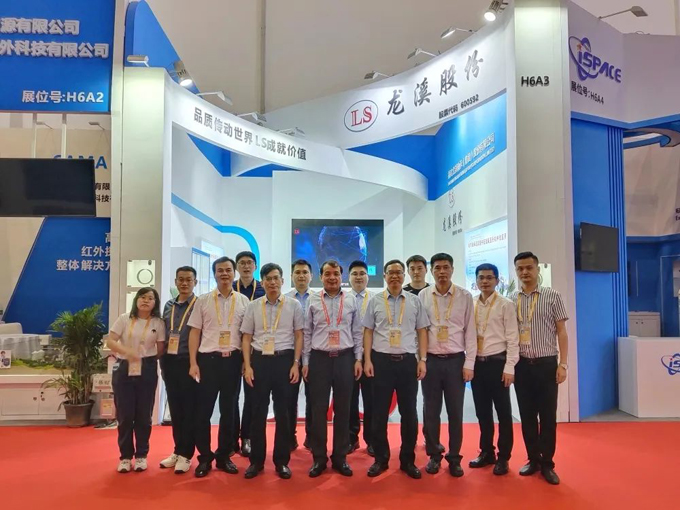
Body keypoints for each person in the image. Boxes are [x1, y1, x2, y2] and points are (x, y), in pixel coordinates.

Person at [363, 260, 429, 479]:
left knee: (409, 413)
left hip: (407, 362)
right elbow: (368, 332)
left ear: (404, 275)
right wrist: (367, 360)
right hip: (381, 362)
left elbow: (422, 331)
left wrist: (422, 360)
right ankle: (380, 459)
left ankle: (407, 460)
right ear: (384, 276)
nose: (394, 276)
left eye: (398, 272)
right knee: (379, 413)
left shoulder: (414, 301)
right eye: (390, 272)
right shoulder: (375, 301)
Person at [188, 256, 250, 478]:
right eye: (220, 270)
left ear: (234, 273)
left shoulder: (243, 301)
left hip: (232, 361)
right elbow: (195, 332)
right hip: (208, 361)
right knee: (203, 411)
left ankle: (224, 456)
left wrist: (245, 363)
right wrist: (193, 362)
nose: (224, 274)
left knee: (229, 411)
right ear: (214, 274)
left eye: (228, 270)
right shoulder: (203, 301)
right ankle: (205, 457)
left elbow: (247, 335)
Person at [510, 252, 569, 486]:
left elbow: (562, 332)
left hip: (546, 364)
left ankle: (547, 463)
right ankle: (533, 459)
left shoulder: (552, 296)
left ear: (537, 269)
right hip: (522, 365)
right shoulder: (511, 299)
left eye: (529, 268)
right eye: (520, 268)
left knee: (547, 416)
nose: (525, 272)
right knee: (527, 416)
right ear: (516, 271)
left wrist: (563, 364)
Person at [241, 263, 304, 479]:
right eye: (268, 279)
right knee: (257, 412)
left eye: (276, 278)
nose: (273, 282)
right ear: (263, 282)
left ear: (282, 281)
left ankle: (281, 461)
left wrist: (296, 363)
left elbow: (299, 335)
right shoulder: (253, 306)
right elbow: (246, 337)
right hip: (259, 361)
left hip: (284, 361)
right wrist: (248, 366)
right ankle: (256, 461)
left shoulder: (294, 305)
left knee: (283, 414)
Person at [302, 260, 363, 478]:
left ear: (341, 276)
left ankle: (340, 457)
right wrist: (306, 362)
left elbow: (357, 332)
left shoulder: (351, 299)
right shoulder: (313, 299)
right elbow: (307, 333)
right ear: (321, 277)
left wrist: (358, 359)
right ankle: (319, 458)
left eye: (336, 273)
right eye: (327, 274)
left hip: (345, 358)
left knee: (343, 409)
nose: (332, 277)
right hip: (319, 359)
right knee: (318, 410)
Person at [419, 253, 475, 477]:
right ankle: (434, 455)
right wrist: (421, 360)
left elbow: (470, 332)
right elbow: (420, 331)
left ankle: (454, 457)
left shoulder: (464, 296)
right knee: (431, 411)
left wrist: (469, 363)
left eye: (446, 267)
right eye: (437, 268)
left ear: (452, 269)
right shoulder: (423, 296)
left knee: (455, 412)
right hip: (431, 361)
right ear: (431, 271)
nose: (442, 272)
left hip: (455, 361)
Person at [107, 287, 166, 473]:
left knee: (143, 415)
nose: (145, 301)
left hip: (147, 366)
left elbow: (161, 349)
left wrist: (146, 358)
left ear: (155, 303)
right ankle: (125, 457)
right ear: (136, 300)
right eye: (142, 297)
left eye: (150, 298)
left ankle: (141, 455)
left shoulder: (158, 323)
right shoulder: (125, 318)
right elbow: (110, 341)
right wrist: (128, 352)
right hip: (124, 366)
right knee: (125, 415)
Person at [469, 263, 519, 476]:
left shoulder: (505, 305)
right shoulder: (471, 303)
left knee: (504, 413)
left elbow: (513, 338)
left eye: (489, 278)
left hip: (498, 364)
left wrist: (510, 367)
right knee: (482, 412)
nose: (485, 281)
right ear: (476, 280)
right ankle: (486, 452)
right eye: (481, 277)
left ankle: (504, 457)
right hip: (477, 365)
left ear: (497, 280)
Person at [159, 266, 198, 474]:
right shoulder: (168, 305)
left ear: (195, 283)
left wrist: (195, 363)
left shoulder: (199, 304)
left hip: (188, 362)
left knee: (189, 409)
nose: (184, 283)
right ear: (176, 282)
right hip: (169, 361)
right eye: (181, 279)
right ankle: (177, 450)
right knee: (175, 408)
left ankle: (186, 454)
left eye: (188, 280)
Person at [232, 250, 266, 458]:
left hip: (255, 351)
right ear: (237, 267)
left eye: (249, 263)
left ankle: (247, 437)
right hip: (231, 349)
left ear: (255, 266)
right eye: (242, 263)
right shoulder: (229, 288)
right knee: (231, 397)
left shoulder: (263, 289)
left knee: (252, 397)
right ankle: (230, 439)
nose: (246, 266)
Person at [285, 259, 314, 451]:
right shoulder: (284, 299)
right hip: (290, 357)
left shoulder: (319, 298)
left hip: (313, 356)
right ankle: (289, 438)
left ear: (311, 276)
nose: (301, 276)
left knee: (314, 399)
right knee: (289, 399)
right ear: (291, 276)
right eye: (297, 272)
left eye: (305, 272)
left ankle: (312, 438)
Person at [347, 260, 375, 455]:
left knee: (372, 398)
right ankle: (351, 438)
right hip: (348, 355)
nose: (358, 277)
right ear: (349, 278)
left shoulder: (376, 299)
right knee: (350, 399)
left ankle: (372, 439)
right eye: (355, 274)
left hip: (370, 355)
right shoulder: (343, 299)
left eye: (362, 273)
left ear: (368, 277)